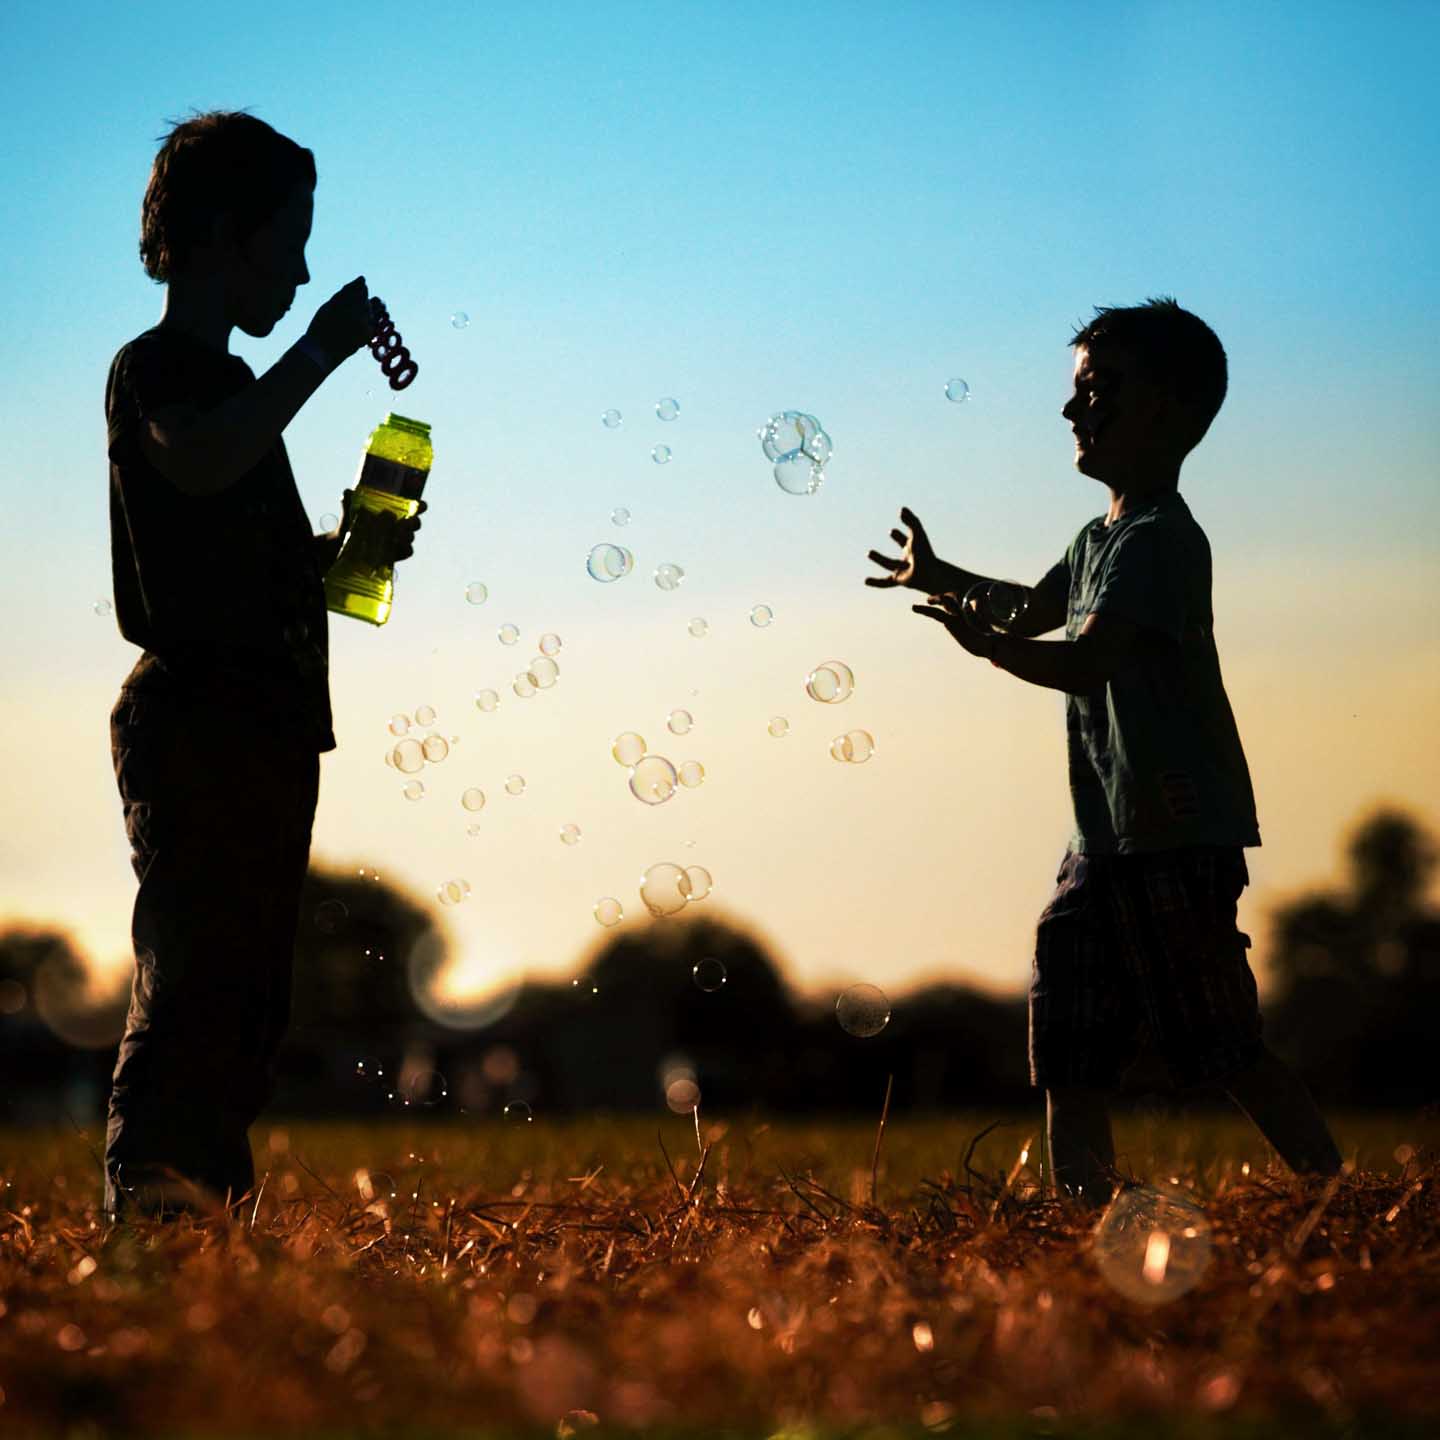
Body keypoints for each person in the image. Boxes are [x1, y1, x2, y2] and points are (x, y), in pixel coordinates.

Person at [866, 297, 1342, 1206]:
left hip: (1175, 831)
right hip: (1105, 844)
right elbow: (1037, 608)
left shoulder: (1161, 541)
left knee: (1219, 1036)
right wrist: (942, 577)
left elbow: (1084, 659)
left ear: (1164, 406)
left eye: (1096, 390)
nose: (1071, 410)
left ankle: (1330, 1192)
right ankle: (1080, 1214)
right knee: (1068, 1026)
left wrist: (991, 649)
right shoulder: (1098, 541)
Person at [102, 109, 423, 1223]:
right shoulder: (157, 372)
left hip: (267, 719)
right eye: (288, 241)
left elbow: (266, 559)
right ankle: (150, 1215)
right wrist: (322, 351)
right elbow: (198, 458)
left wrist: (353, 547)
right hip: (197, 716)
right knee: (194, 984)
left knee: (247, 999)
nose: (297, 271)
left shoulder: (235, 400)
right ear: (225, 234)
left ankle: (207, 1221)